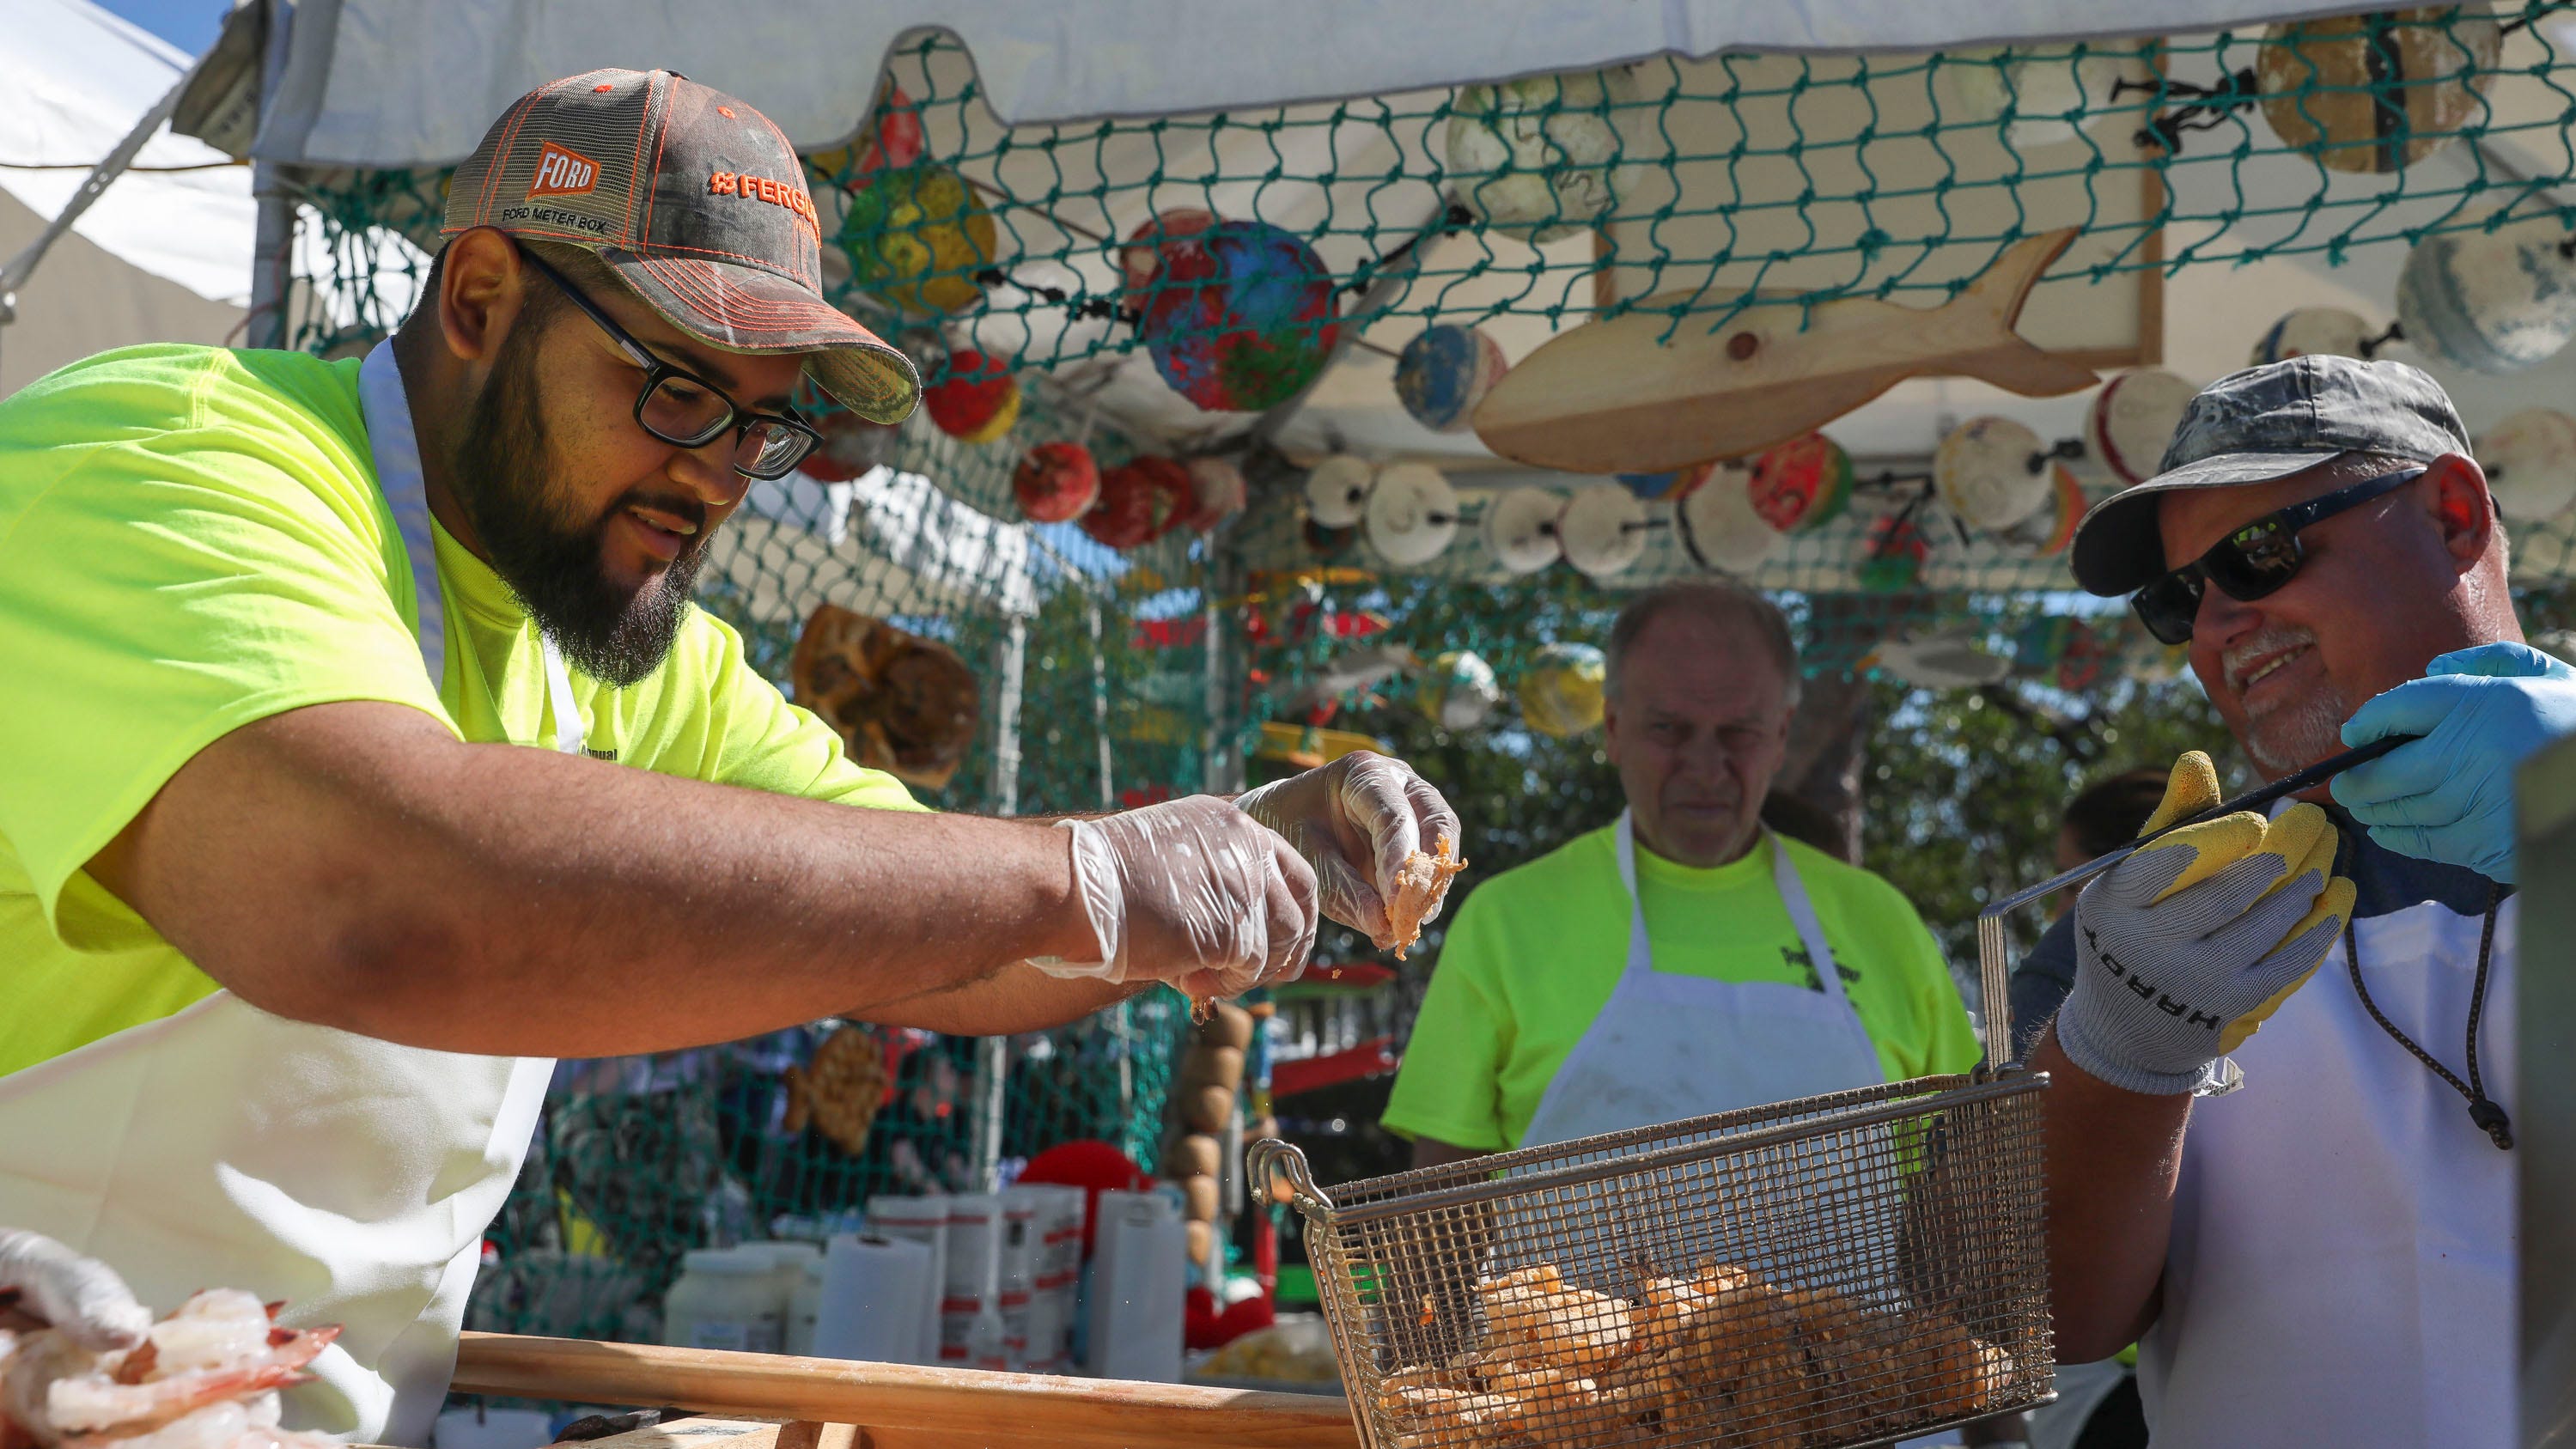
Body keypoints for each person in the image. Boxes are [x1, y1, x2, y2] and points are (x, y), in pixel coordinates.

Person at [0, 70, 1456, 1446]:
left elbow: (946, 939)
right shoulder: (174, 461)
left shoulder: (625, 646)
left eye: (759, 426)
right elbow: (375, 895)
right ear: (483, 297)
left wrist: (1216, 847)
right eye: (677, 388)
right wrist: (1080, 874)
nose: (711, 478)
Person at [2013, 355, 2576, 1447]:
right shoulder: (2153, 907)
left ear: (2453, 514)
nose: (2219, 623)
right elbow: (2029, 1315)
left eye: (2259, 553)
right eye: (2178, 600)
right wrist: (2118, 1049)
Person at [1382, 581, 1980, 1166]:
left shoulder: (1882, 924)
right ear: (1613, 729)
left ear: (1779, 734)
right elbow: (1433, 1218)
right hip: (1559, 1275)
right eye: (1668, 729)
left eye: (1737, 733)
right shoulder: (1505, 920)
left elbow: (1965, 1179)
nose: (1704, 766)